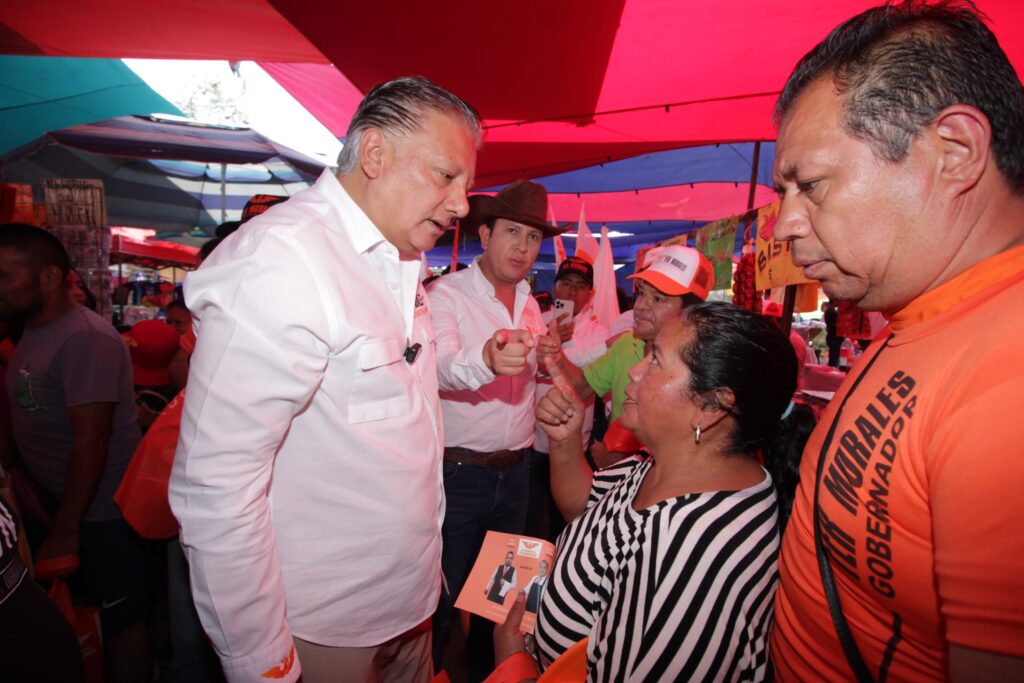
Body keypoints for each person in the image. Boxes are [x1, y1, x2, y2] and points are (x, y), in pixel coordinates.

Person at [169, 77, 480, 683]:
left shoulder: (399, 258)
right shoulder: (282, 260)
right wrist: (261, 662)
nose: (462, 204)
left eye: (466, 184)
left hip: (408, 603)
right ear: (374, 155)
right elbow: (218, 488)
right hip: (320, 625)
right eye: (447, 176)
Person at [768, 2, 1024, 680]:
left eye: (810, 185)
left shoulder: (1010, 383)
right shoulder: (930, 308)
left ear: (955, 153)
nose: (785, 225)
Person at [494, 302, 806, 680]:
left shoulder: (689, 559)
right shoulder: (670, 464)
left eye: (655, 361)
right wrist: (565, 442)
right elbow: (586, 506)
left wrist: (514, 665)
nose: (634, 371)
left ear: (711, 407)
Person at [426, 179, 568, 679]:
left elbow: (527, 379)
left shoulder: (531, 304)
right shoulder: (446, 295)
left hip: (518, 474)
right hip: (458, 473)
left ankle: (492, 674)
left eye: (532, 238)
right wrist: (487, 358)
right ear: (484, 235)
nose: (523, 248)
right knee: (440, 600)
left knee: (504, 600)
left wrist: (549, 362)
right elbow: (438, 366)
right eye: (512, 233)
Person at [0, 223, 152, 683]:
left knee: (122, 621)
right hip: (58, 503)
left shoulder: (84, 338)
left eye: (6, 276)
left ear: (47, 278)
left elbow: (93, 440)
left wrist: (67, 530)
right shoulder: (32, 330)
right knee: (82, 617)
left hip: (102, 513)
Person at [528, 256, 608, 540]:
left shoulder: (600, 334)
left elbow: (589, 382)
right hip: (532, 444)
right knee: (531, 522)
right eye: (567, 283)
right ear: (556, 287)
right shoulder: (536, 325)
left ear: (591, 293)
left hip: (575, 446)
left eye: (581, 286)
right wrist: (548, 339)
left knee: (570, 526)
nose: (573, 292)